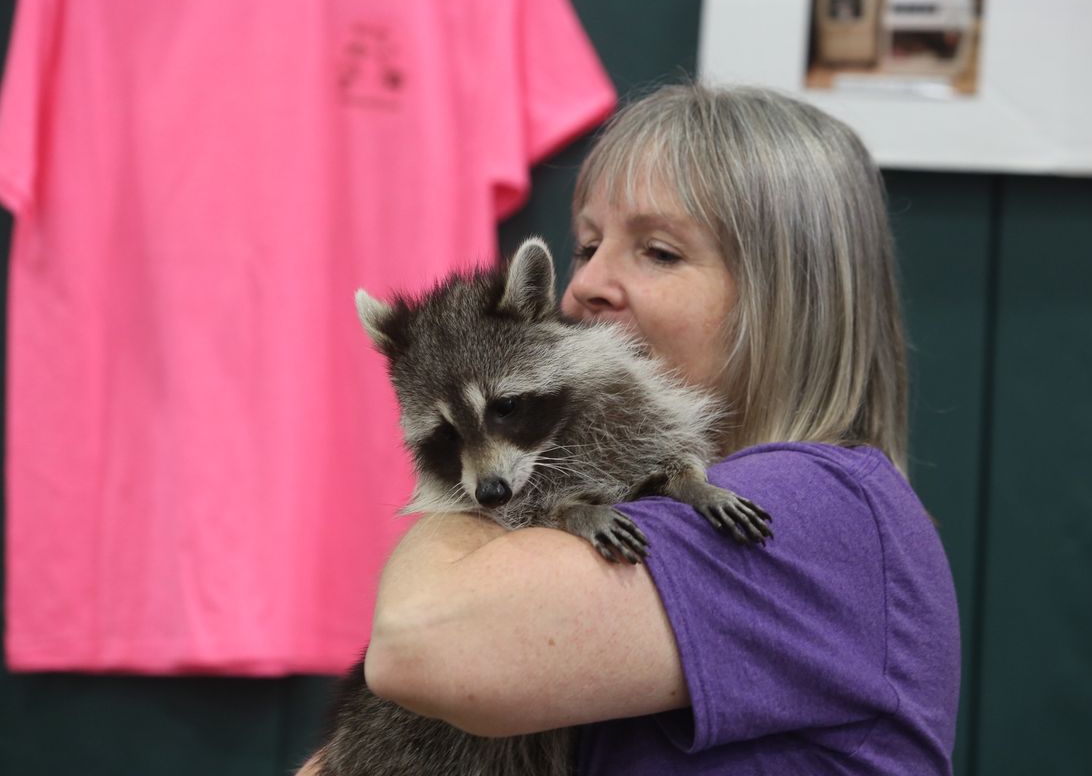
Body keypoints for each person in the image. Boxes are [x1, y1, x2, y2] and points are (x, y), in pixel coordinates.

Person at [301, 83, 960, 774]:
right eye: (587, 245)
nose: (584, 285)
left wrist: (470, 491)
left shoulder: (823, 509)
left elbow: (422, 639)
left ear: (792, 297)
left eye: (659, 252)